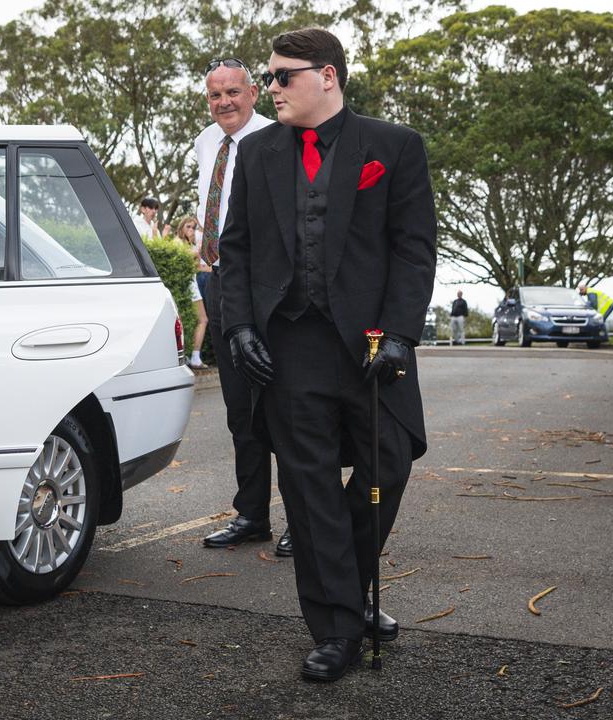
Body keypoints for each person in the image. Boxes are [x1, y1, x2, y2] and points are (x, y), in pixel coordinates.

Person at [217, 28, 436, 681]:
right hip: (289, 345)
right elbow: (237, 249)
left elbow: (413, 246)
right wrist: (238, 329)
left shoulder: (394, 148)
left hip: (370, 343)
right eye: (271, 77)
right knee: (308, 489)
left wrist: (399, 334)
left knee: (388, 463)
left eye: (283, 76)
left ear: (328, 76)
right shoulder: (255, 153)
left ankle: (349, 587)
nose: (273, 88)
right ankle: (338, 627)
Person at [192, 56, 283, 556]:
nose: (224, 102)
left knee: (285, 408)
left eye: (233, 91)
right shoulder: (207, 142)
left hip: (267, 285)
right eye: (214, 94)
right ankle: (252, 515)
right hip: (219, 281)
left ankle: (304, 518)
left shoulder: (279, 138)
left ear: (254, 91)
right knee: (238, 411)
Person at [174, 215, 209, 368]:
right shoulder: (177, 242)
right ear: (181, 227)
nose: (191, 230)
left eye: (193, 228)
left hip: (192, 285)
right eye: (188, 227)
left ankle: (194, 356)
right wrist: (199, 251)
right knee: (198, 320)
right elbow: (184, 259)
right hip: (185, 287)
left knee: (200, 320)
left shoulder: (191, 244)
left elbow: (196, 267)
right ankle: (191, 357)